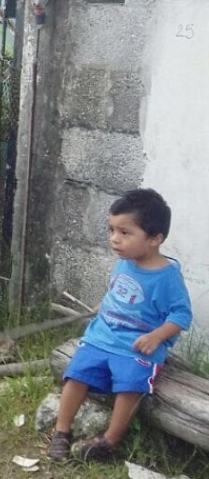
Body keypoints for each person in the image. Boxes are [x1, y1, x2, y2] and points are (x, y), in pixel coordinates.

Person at [47, 188, 191, 462]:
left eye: (125, 233)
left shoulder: (167, 277)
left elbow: (181, 316)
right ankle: (61, 432)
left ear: (155, 238)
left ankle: (108, 442)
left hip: (137, 347)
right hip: (102, 337)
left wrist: (157, 336)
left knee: (130, 385)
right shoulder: (125, 262)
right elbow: (118, 292)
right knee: (76, 373)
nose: (114, 239)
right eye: (112, 229)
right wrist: (105, 305)